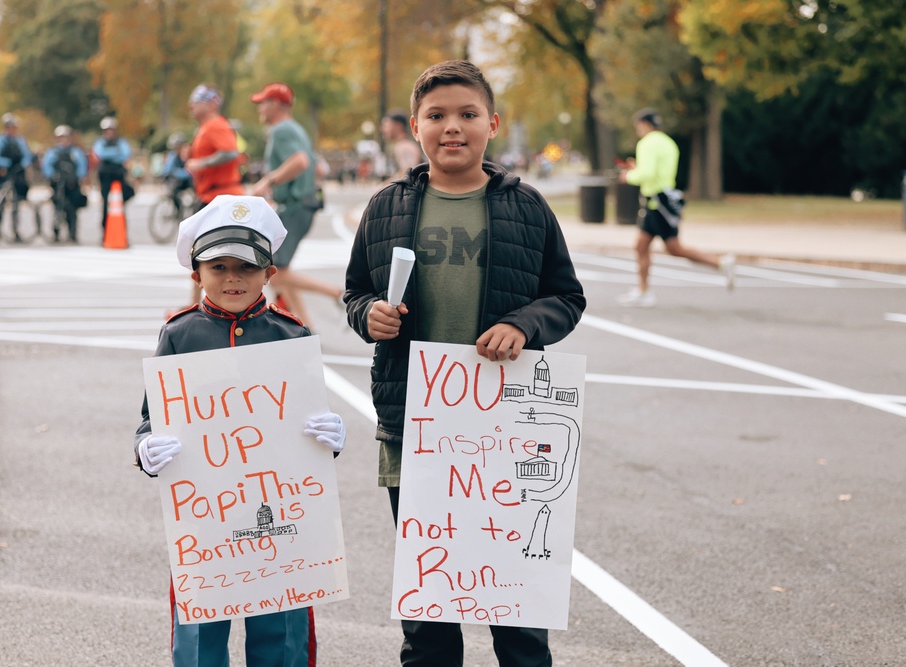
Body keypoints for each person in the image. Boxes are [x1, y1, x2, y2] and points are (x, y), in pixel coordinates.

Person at [343, 59, 587, 667]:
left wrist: (522, 325)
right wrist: (368, 313)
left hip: (504, 430)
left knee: (517, 607)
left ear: (492, 124)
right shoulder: (387, 208)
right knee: (429, 605)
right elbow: (354, 292)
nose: (452, 127)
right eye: (437, 116)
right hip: (416, 430)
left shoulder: (526, 209)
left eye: (467, 114)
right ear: (416, 129)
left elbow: (567, 298)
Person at [133, 194, 347, 667]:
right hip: (206, 519)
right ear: (196, 275)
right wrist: (146, 446)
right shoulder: (179, 335)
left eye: (247, 268)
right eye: (218, 267)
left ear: (269, 273)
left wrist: (333, 436)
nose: (233, 279)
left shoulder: (293, 336)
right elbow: (151, 417)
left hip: (282, 517)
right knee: (199, 633)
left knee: (283, 633)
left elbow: (311, 428)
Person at [617, 107, 735, 307]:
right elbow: (658, 171)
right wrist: (638, 169)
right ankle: (643, 290)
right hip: (664, 199)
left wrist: (628, 176)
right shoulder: (668, 143)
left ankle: (721, 264)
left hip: (656, 203)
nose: (638, 130)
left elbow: (648, 174)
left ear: (644, 124)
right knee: (642, 246)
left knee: (673, 248)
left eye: (638, 126)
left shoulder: (647, 143)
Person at [250, 82, 343, 332]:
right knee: (280, 270)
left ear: (277, 105)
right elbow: (318, 167)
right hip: (300, 204)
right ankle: (306, 329)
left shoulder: (282, 131)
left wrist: (269, 182)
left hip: (295, 207)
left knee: (273, 272)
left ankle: (335, 292)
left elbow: (301, 161)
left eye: (263, 102)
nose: (259, 107)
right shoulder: (297, 130)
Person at [183, 84, 247, 307]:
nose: (191, 105)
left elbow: (230, 152)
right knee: (201, 252)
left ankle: (209, 304)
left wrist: (200, 163)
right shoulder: (205, 127)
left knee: (213, 254)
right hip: (213, 196)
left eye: (196, 101)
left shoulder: (215, 125)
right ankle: (195, 304)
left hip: (220, 198)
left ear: (210, 104)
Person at [0, 113, 34, 243]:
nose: (10, 129)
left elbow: (27, 156)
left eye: (13, 127)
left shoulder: (20, 141)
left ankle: (15, 231)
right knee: (1, 202)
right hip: (3, 174)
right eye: (8, 127)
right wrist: (7, 163)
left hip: (17, 175)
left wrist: (20, 165)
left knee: (16, 204)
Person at [42, 125, 88, 243]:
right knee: (58, 208)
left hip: (72, 185)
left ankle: (72, 233)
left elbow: (82, 167)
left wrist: (77, 178)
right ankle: (56, 233)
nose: (63, 140)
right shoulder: (53, 152)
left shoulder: (75, 152)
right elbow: (46, 166)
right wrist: (53, 176)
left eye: (65, 137)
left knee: (72, 209)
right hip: (58, 184)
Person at [91, 116, 132, 235]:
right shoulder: (100, 143)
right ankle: (105, 231)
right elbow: (99, 155)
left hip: (118, 175)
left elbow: (126, 155)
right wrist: (115, 155)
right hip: (105, 176)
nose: (109, 133)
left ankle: (121, 231)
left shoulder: (121, 142)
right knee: (105, 204)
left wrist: (110, 156)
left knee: (120, 204)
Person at [380, 109, 423, 181]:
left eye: (386, 125)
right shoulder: (402, 145)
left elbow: (408, 174)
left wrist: (383, 187)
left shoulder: (405, 147)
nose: (382, 129)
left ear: (398, 126)